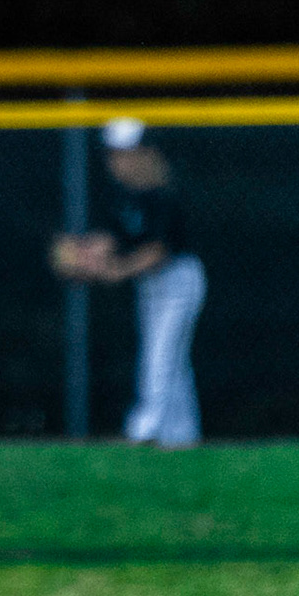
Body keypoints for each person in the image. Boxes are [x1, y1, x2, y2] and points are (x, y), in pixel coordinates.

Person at [50, 116, 205, 447]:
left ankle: (144, 430)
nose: (118, 160)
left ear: (145, 153)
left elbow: (158, 251)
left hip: (179, 281)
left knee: (160, 356)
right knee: (172, 361)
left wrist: (115, 271)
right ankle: (182, 437)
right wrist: (81, 253)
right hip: (152, 285)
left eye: (126, 152)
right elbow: (114, 239)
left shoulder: (161, 193)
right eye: (114, 153)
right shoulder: (125, 196)